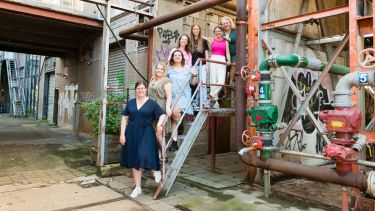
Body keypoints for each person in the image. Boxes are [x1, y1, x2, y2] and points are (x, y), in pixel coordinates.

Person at [119, 80, 166, 198]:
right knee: (135, 160)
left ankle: (155, 169)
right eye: (138, 88)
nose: (140, 90)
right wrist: (122, 134)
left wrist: (160, 124)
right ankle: (138, 187)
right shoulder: (130, 103)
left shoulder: (152, 103)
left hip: (147, 131)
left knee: (144, 153)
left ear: (146, 90)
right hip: (132, 132)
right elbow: (124, 119)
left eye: (142, 88)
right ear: (135, 90)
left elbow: (162, 114)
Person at [167, 50, 197, 152]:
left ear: (182, 58)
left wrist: (194, 75)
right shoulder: (169, 70)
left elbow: (193, 83)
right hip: (173, 96)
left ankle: (179, 123)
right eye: (175, 55)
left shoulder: (187, 69)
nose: (177, 56)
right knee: (172, 118)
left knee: (174, 112)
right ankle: (174, 142)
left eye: (179, 55)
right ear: (172, 58)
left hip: (184, 96)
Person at [207, 26, 231, 109]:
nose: (217, 32)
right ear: (214, 33)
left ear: (222, 32)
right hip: (213, 59)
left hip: (222, 60)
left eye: (219, 31)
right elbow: (202, 37)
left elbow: (227, 52)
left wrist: (229, 60)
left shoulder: (226, 41)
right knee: (213, 80)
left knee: (220, 81)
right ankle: (214, 103)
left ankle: (211, 95)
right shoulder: (212, 40)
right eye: (216, 31)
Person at [190, 24, 210, 109]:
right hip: (193, 65)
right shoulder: (189, 41)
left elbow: (206, 54)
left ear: (199, 30)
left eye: (197, 29)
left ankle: (204, 102)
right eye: (194, 29)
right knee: (194, 84)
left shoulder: (203, 41)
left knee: (203, 83)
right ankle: (194, 102)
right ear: (192, 30)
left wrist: (207, 65)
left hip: (202, 64)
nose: (196, 30)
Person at [221, 16, 236, 86]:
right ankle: (224, 87)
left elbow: (240, 40)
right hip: (224, 53)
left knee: (233, 65)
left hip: (234, 52)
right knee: (224, 68)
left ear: (230, 23)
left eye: (227, 23)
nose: (225, 25)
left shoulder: (235, 31)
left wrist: (230, 39)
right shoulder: (221, 33)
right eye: (223, 24)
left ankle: (230, 83)